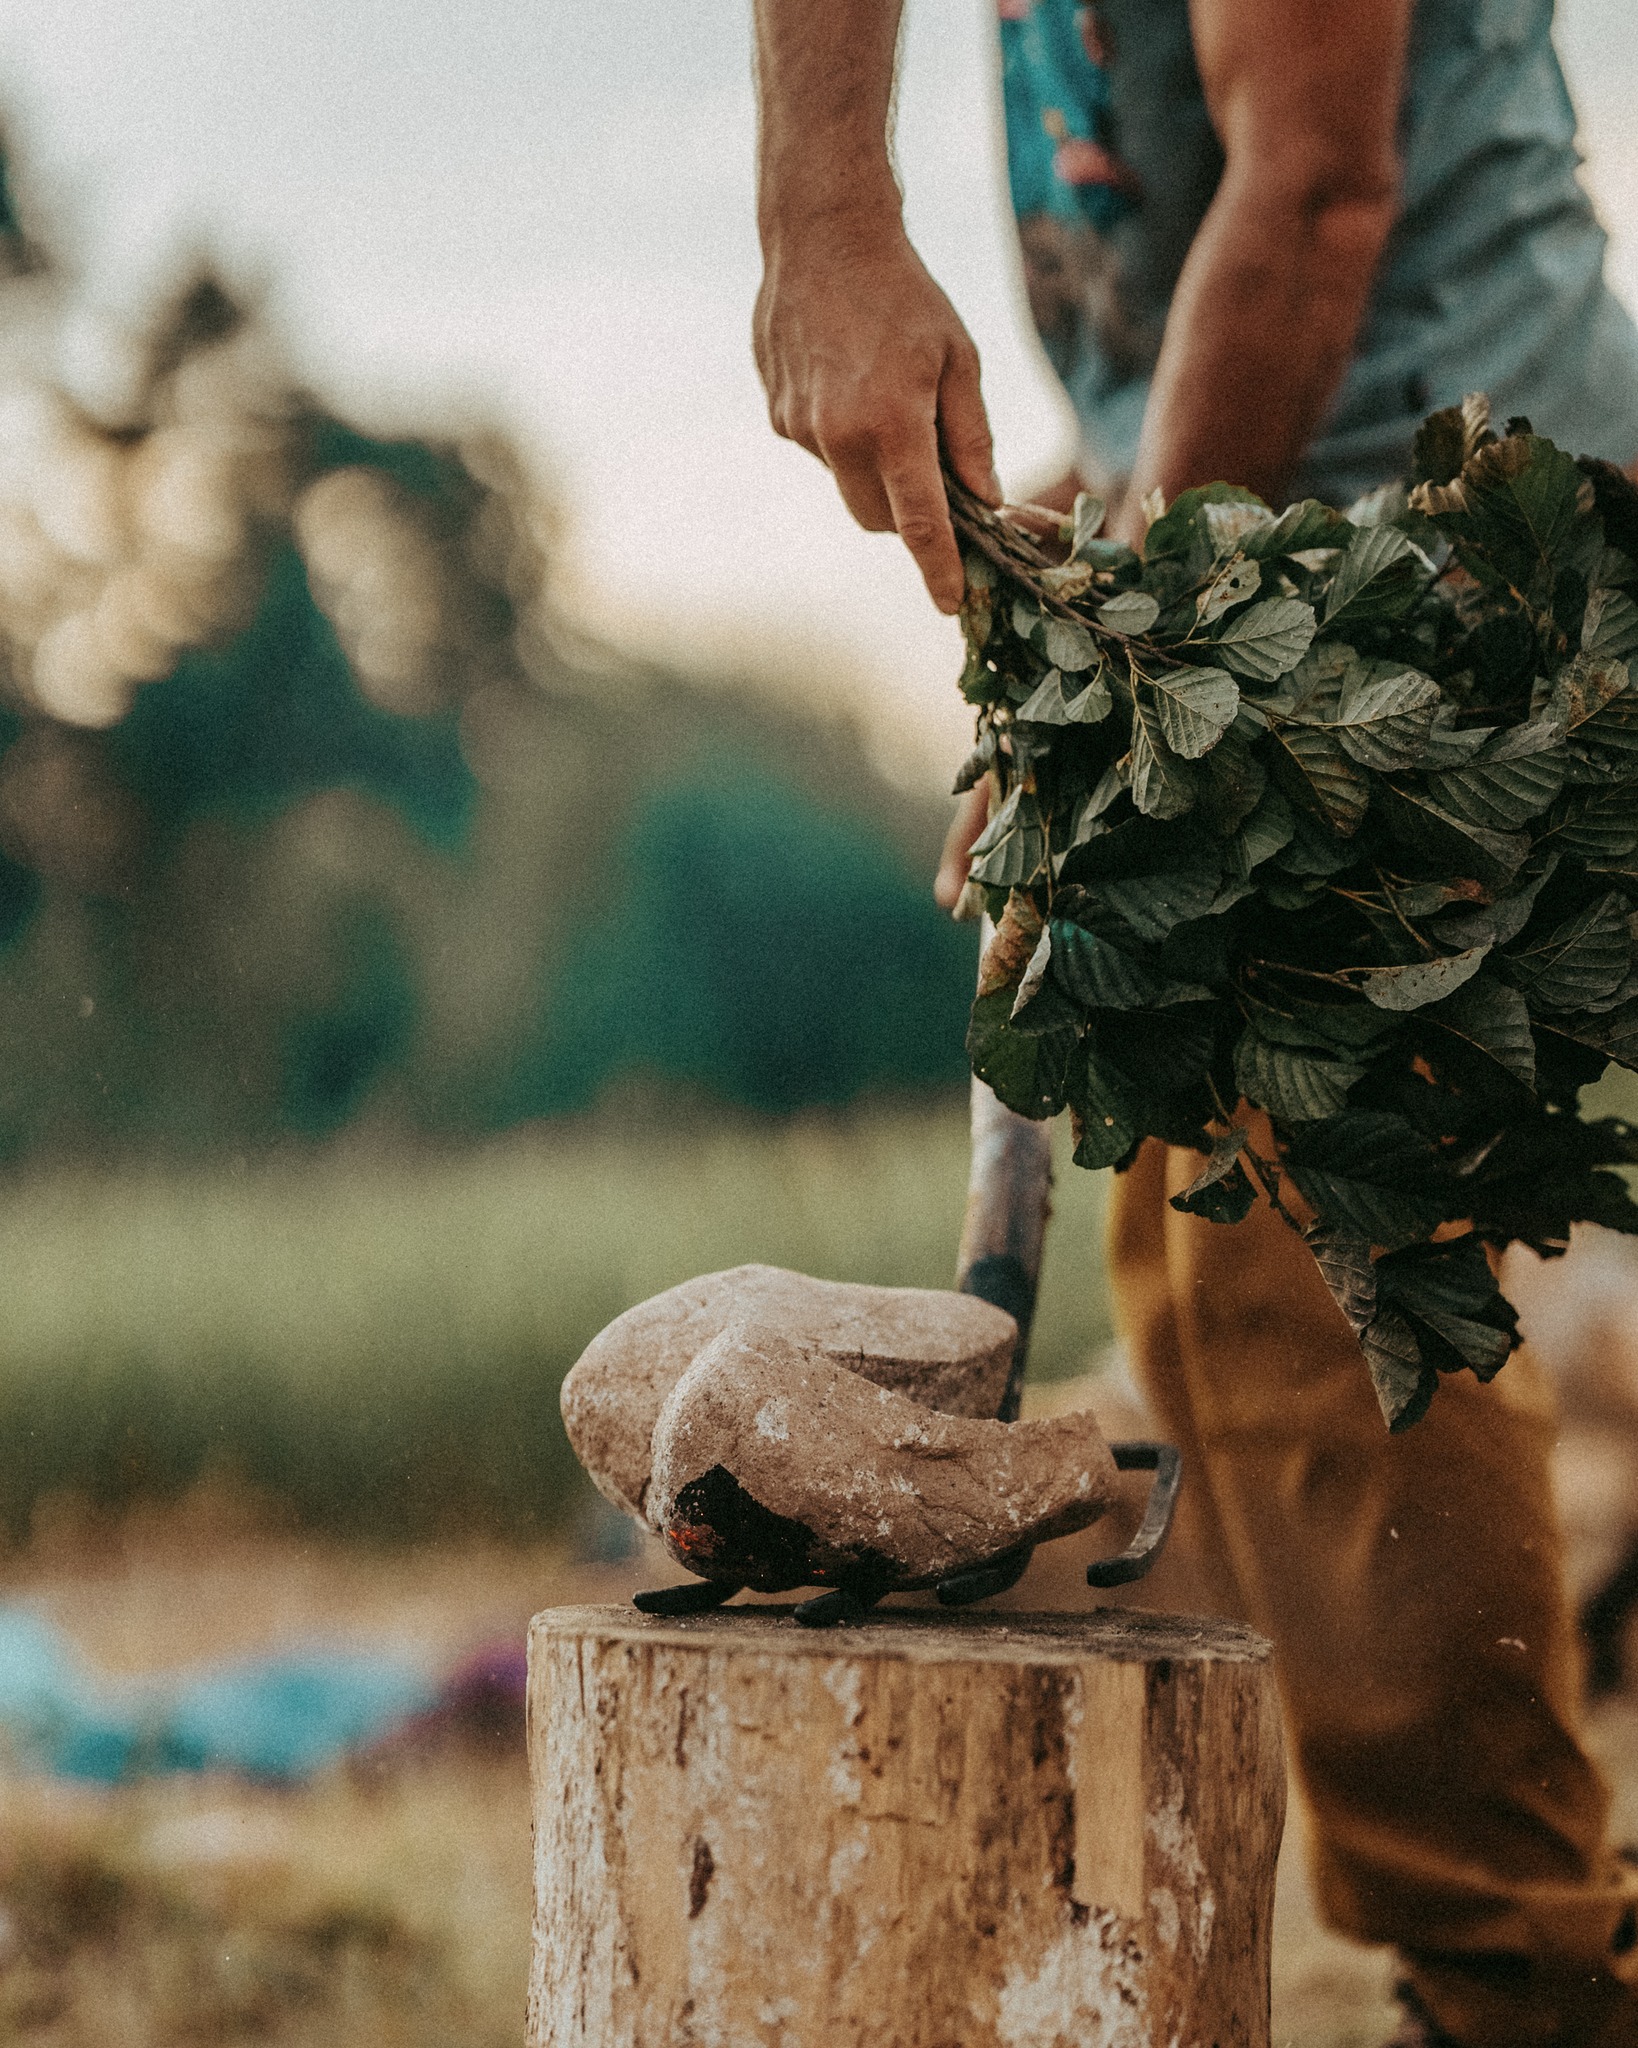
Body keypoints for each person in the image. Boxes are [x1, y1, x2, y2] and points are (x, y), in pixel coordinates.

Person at [749, 3, 1638, 2045]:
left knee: (1299, 1269)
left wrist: (1125, 665)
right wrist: (843, 220)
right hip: (1272, 504)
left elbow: (1317, 192)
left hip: (1457, 519)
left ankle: (1532, 1990)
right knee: (1193, 1274)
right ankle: (1486, 1946)